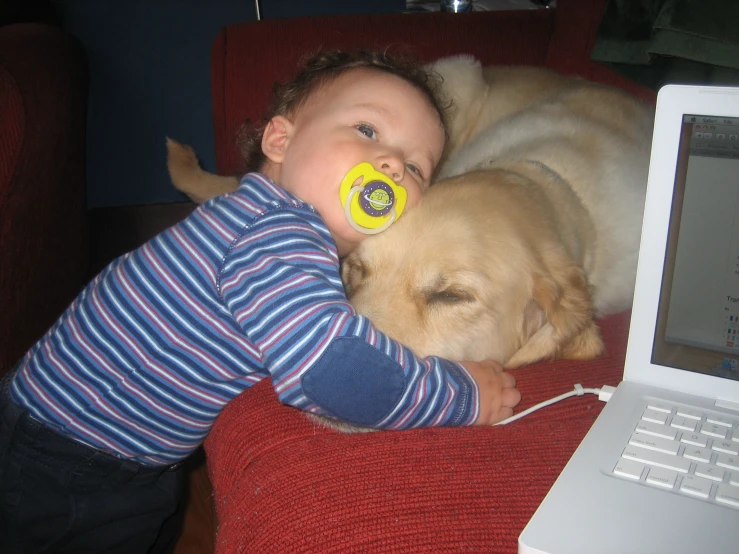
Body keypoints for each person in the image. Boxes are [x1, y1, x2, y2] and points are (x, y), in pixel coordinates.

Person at [0, 50, 521, 553]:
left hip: (79, 439)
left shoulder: (256, 216)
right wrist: (464, 395)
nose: (391, 164)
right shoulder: (281, 234)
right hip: (70, 460)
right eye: (367, 130)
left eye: (416, 168)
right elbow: (333, 373)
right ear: (279, 139)